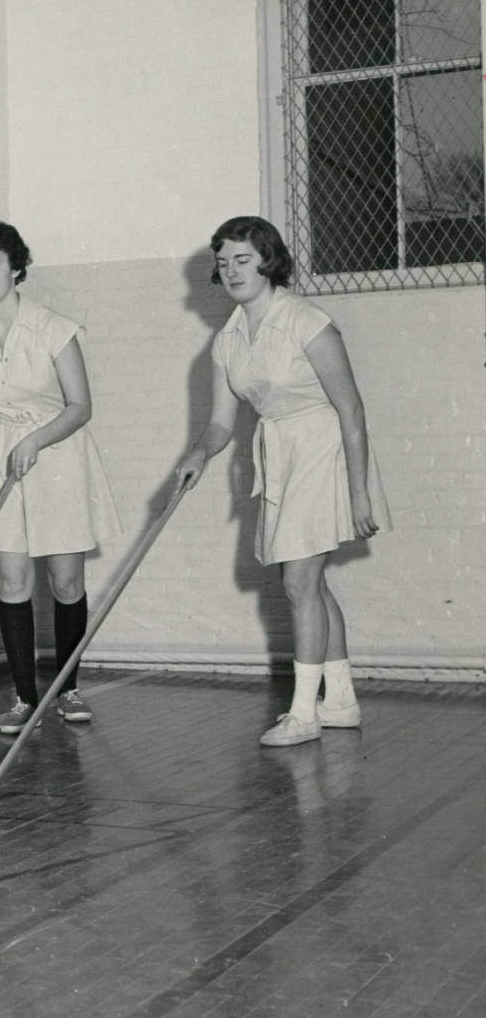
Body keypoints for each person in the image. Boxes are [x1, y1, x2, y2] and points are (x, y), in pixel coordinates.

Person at [176, 216, 391, 747]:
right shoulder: (226, 342)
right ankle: (339, 699)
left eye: (242, 260)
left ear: (268, 260)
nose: (231, 271)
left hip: (325, 449)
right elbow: (222, 424)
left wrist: (360, 491)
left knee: (298, 582)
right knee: (310, 583)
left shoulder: (305, 320)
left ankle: (302, 713)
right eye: (223, 262)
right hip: (278, 453)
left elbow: (353, 410)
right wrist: (199, 454)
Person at [0, 221, 121, 733]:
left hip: (58, 454)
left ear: (17, 267)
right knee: (11, 578)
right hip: (1, 456)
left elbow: (81, 406)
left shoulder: (55, 329)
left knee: (66, 581)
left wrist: (35, 441)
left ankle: (67, 689)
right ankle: (24, 698)